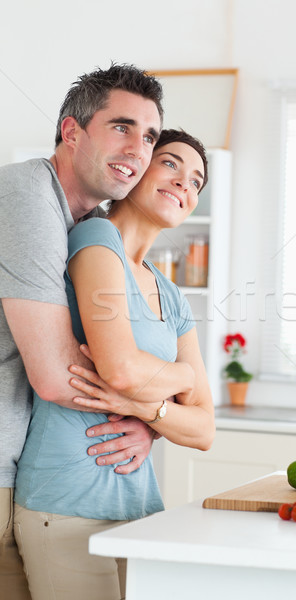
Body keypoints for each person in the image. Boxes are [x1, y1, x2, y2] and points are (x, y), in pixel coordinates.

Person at [14, 128, 215, 600]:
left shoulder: (170, 293)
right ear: (140, 166)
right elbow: (121, 369)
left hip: (139, 506)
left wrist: (151, 414)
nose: (184, 184)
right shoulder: (96, 237)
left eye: (196, 182)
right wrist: (181, 379)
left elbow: (204, 429)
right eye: (171, 164)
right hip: (67, 501)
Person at [0, 63, 164, 600]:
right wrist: (157, 409)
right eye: (121, 127)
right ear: (71, 133)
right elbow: (56, 375)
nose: (138, 149)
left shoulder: (84, 230)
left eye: (150, 136)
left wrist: (153, 424)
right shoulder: (26, 196)